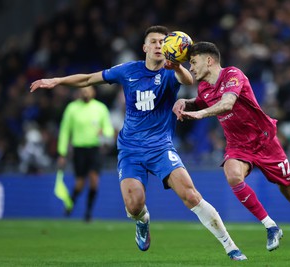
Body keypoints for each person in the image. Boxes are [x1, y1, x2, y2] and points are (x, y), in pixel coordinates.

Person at [30, 26, 246, 261]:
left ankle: (230, 246)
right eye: (153, 42)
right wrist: (57, 80)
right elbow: (89, 78)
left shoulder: (170, 72)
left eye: (162, 42)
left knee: (191, 195)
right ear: (144, 47)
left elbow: (187, 79)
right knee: (134, 205)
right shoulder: (128, 71)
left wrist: (177, 66)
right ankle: (142, 221)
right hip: (130, 149)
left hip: (161, 147)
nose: (157, 45)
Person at [173, 41, 290, 259]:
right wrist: (186, 102)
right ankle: (271, 226)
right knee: (233, 176)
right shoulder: (204, 86)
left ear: (209, 60)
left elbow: (227, 104)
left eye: (193, 63)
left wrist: (200, 114)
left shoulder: (233, 75)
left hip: (265, 141)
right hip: (238, 145)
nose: (191, 69)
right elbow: (202, 101)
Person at [57, 86, 115, 222]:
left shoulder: (100, 108)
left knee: (94, 180)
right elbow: (65, 131)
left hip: (95, 149)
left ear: (93, 92)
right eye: (83, 90)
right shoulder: (72, 108)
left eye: (88, 90)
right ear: (79, 93)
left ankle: (88, 213)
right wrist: (62, 153)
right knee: (80, 183)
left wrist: (105, 133)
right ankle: (71, 202)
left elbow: (108, 128)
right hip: (79, 149)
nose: (85, 92)